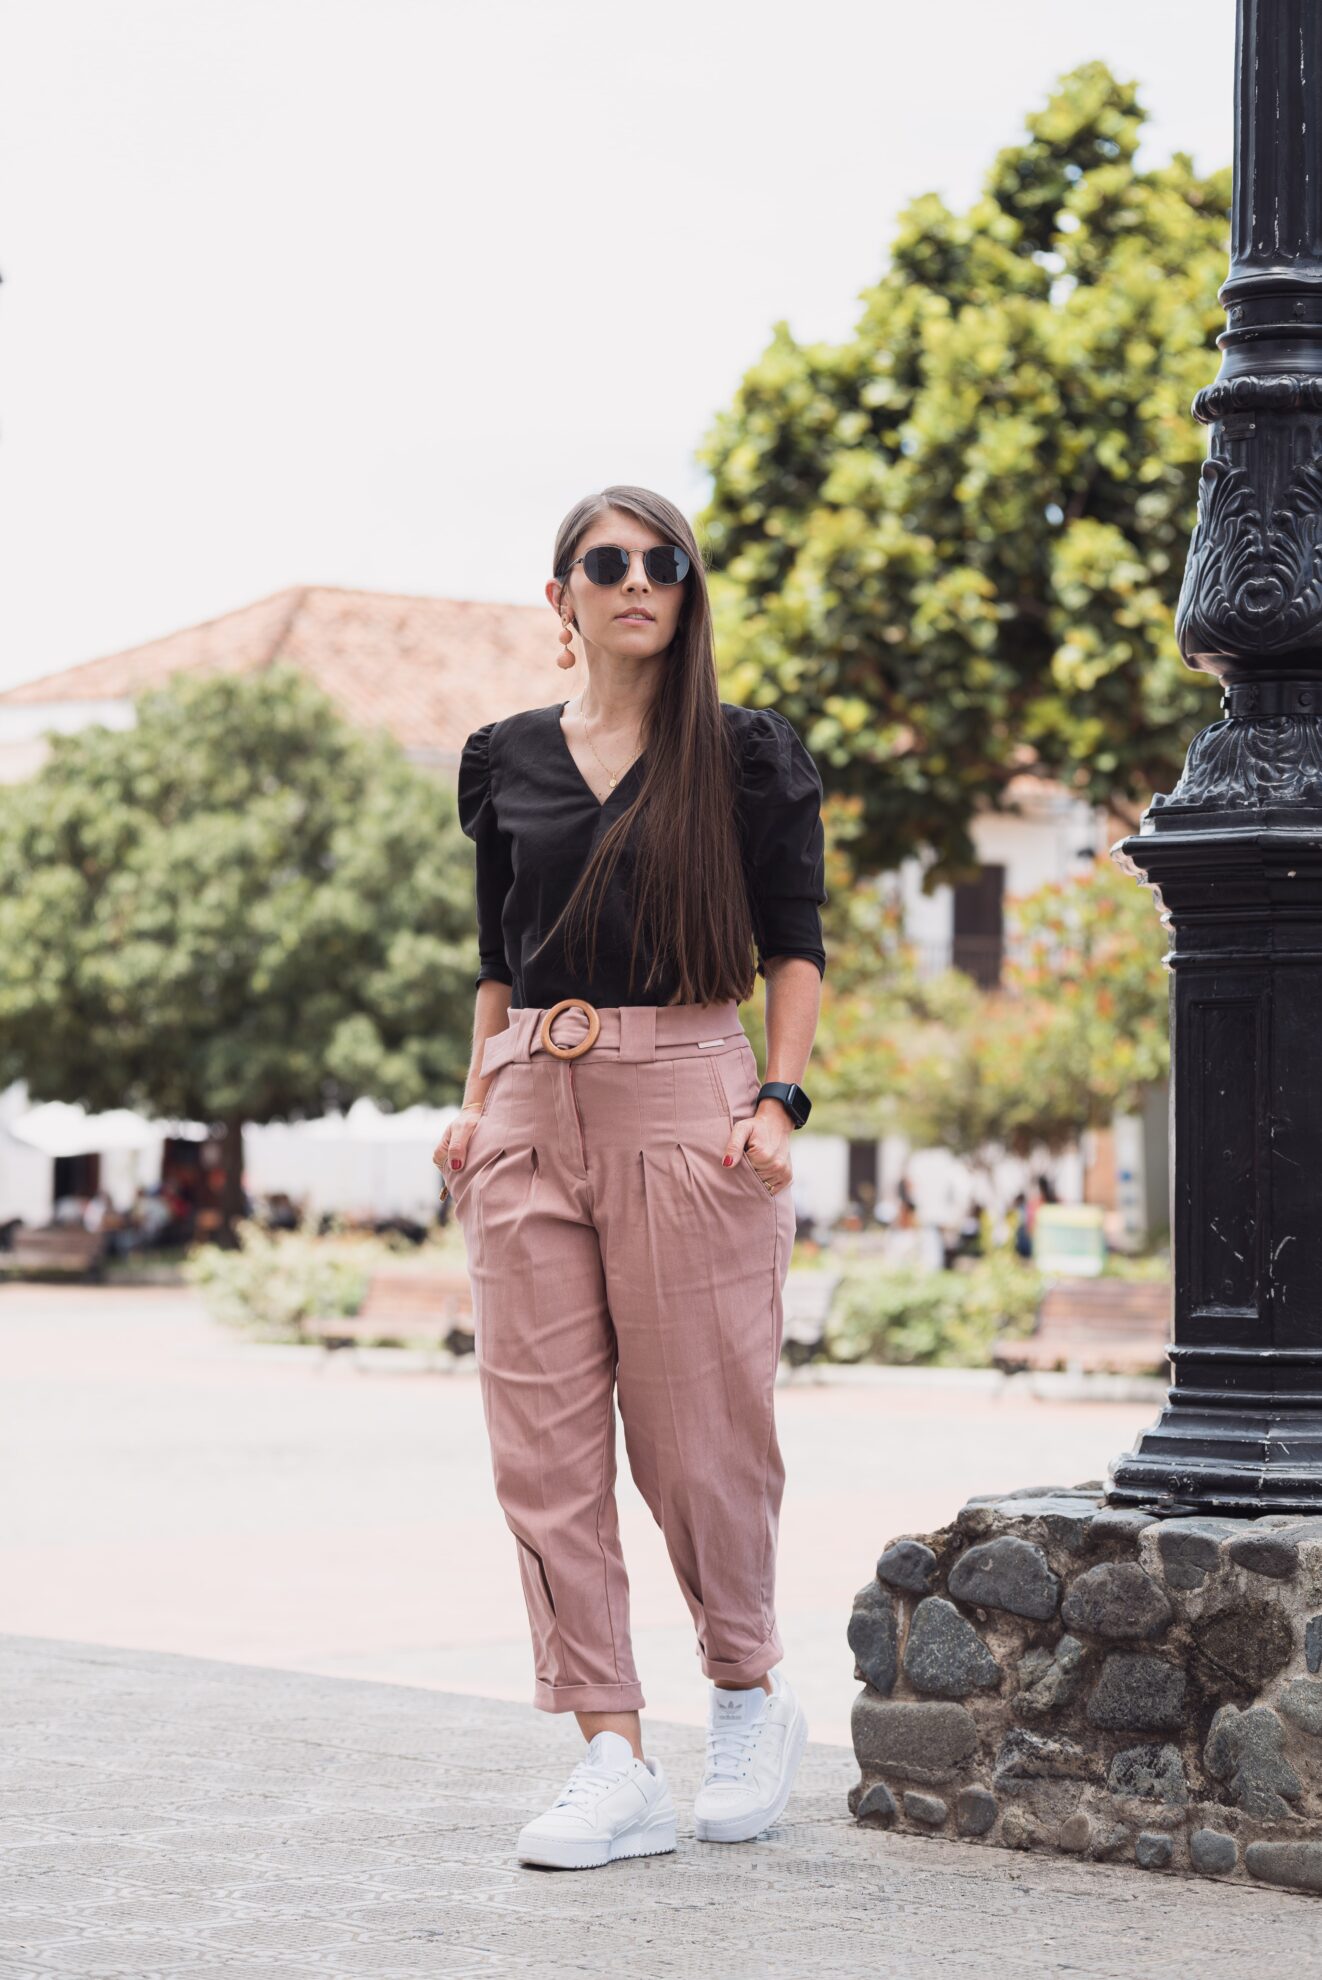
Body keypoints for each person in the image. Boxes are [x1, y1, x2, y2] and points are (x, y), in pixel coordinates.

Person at [434, 485, 826, 1872]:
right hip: (527, 1102)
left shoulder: (745, 755)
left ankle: (746, 1695)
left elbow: (794, 945)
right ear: (562, 597)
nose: (638, 581)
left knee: (698, 1439)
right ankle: (611, 1754)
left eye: (663, 562)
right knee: (541, 1455)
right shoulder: (505, 759)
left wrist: (778, 1100)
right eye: (607, 564)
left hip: (687, 1097)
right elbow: (499, 958)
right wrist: (472, 1100)